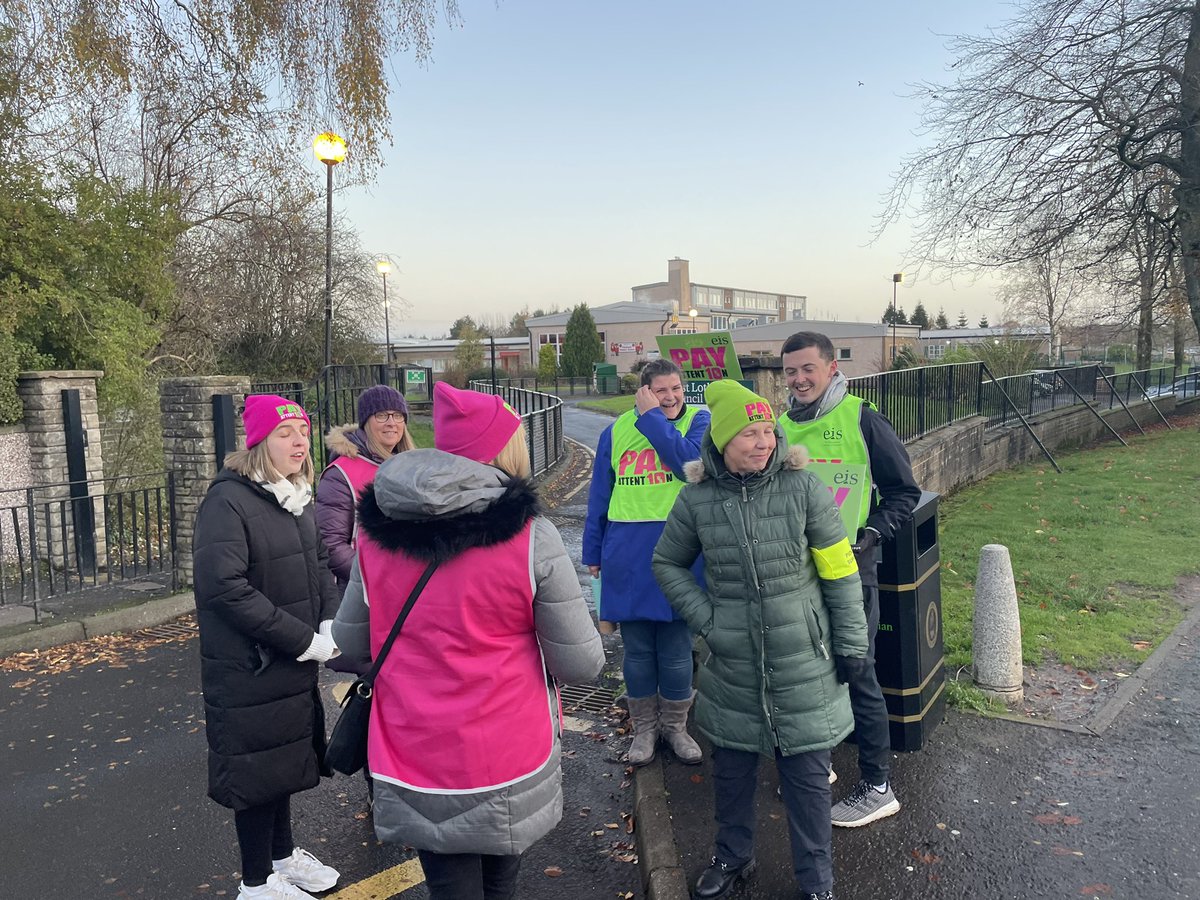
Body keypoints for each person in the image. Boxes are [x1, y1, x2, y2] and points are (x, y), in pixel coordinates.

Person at [332, 382, 605, 900]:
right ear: (502, 450)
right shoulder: (531, 537)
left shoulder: (376, 532)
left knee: (448, 883)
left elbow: (351, 641)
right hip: (506, 747)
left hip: (413, 748)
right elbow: (582, 664)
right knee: (500, 881)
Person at [652, 379, 868, 900]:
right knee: (732, 772)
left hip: (803, 662)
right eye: (750, 432)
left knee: (809, 782)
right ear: (723, 440)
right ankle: (732, 857)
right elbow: (667, 563)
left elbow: (839, 569)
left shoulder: (804, 487)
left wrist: (852, 643)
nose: (764, 442)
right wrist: (709, 622)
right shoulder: (696, 498)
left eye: (768, 429)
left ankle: (817, 883)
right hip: (733, 662)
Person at [192, 395, 343, 900]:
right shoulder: (228, 501)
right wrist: (303, 641)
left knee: (280, 764)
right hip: (250, 667)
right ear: (259, 442)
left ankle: (282, 859)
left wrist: (327, 618)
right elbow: (224, 589)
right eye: (285, 433)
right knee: (256, 772)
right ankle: (256, 884)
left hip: (287, 662)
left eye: (302, 430)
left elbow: (319, 561)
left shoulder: (295, 494)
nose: (299, 441)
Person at [779, 331, 921, 828]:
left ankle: (878, 786)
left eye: (807, 369)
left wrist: (872, 534)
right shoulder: (778, 427)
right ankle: (822, 767)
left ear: (832, 367)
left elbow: (905, 492)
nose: (798, 379)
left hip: (850, 574)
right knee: (811, 671)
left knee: (857, 672)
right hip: (796, 574)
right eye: (790, 371)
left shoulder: (862, 417)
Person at [582, 357, 710, 767]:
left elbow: (687, 464)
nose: (671, 397)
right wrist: (593, 550)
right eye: (660, 390)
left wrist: (652, 417)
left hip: (680, 548)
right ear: (643, 391)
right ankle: (644, 729)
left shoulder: (699, 422)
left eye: (675, 388)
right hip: (627, 549)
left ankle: (676, 727)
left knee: (675, 647)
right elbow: (600, 494)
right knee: (636, 650)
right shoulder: (616, 430)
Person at [317, 384, 415, 598]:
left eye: (398, 415)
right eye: (381, 415)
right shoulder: (340, 473)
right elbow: (331, 545)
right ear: (365, 422)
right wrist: (376, 580)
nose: (391, 423)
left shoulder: (411, 466)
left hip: (408, 589)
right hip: (363, 594)